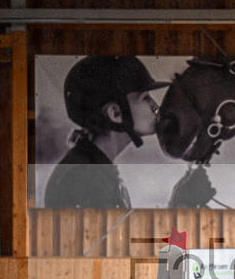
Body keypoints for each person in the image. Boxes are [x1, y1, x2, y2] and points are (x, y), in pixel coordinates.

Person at [44, 56, 168, 209]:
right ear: (115, 113)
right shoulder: (87, 176)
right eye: (145, 98)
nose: (155, 106)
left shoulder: (91, 167)